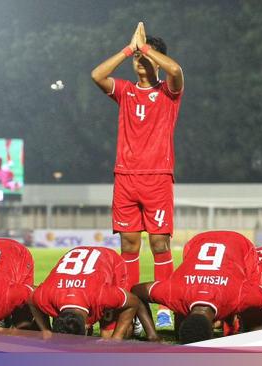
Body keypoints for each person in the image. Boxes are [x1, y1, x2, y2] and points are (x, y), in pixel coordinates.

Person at [91, 21, 185, 329]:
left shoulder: (168, 92)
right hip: (125, 178)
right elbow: (97, 75)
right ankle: (131, 312)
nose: (138, 61)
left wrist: (145, 48)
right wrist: (127, 49)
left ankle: (164, 310)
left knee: (159, 245)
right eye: (136, 58)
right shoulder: (126, 91)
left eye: (144, 57)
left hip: (157, 178)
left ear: (155, 59)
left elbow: (176, 70)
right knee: (129, 245)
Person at [132, 231, 262, 344]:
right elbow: (136, 291)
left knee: (256, 327)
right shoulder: (174, 291)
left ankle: (239, 325)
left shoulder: (237, 295)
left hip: (239, 245)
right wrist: (152, 335)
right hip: (197, 242)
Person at [29, 246, 158, 341]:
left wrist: (117, 338)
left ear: (87, 326)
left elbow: (133, 301)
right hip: (79, 280)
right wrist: (46, 330)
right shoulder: (46, 295)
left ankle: (135, 322)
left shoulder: (102, 295)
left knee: (109, 336)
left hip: (110, 262)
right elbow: (30, 298)